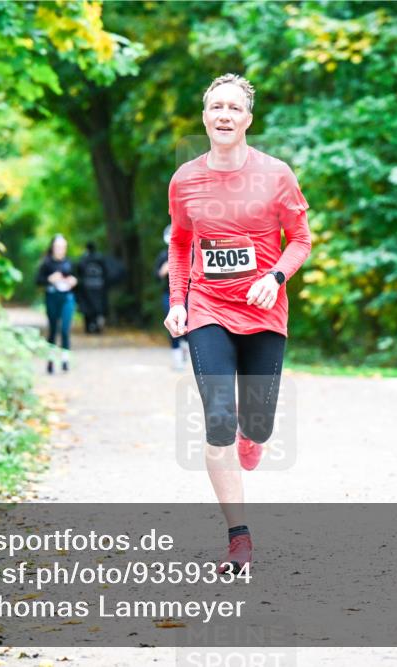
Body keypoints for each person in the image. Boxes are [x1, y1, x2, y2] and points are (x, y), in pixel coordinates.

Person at [164, 74, 311, 573]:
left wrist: (275, 275)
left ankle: (255, 436)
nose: (224, 115)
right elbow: (181, 243)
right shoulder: (185, 179)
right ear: (205, 116)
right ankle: (239, 538)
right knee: (219, 418)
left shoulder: (276, 174)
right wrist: (178, 301)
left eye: (233, 108)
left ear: (248, 119)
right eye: (215, 107)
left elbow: (301, 240)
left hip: (265, 310)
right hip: (208, 306)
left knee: (258, 423)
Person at [36, 234, 78, 374]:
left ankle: (65, 360)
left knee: (65, 329)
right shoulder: (46, 263)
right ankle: (51, 360)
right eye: (58, 247)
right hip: (52, 297)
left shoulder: (69, 263)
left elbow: (78, 280)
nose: (61, 250)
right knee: (53, 329)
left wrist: (73, 281)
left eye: (63, 247)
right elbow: (38, 280)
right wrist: (50, 279)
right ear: (53, 247)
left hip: (67, 297)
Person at [155, 224, 190, 370]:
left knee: (189, 325)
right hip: (167, 295)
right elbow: (156, 276)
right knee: (172, 326)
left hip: (188, 294)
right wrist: (164, 270)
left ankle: (186, 351)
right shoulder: (163, 255)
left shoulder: (189, 251)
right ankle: (177, 359)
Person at [77, 241, 108, 334]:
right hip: (99, 287)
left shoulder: (84, 258)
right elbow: (106, 271)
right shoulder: (100, 258)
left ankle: (89, 327)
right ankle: (97, 327)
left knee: (87, 308)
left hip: (87, 288)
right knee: (98, 308)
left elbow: (79, 271)